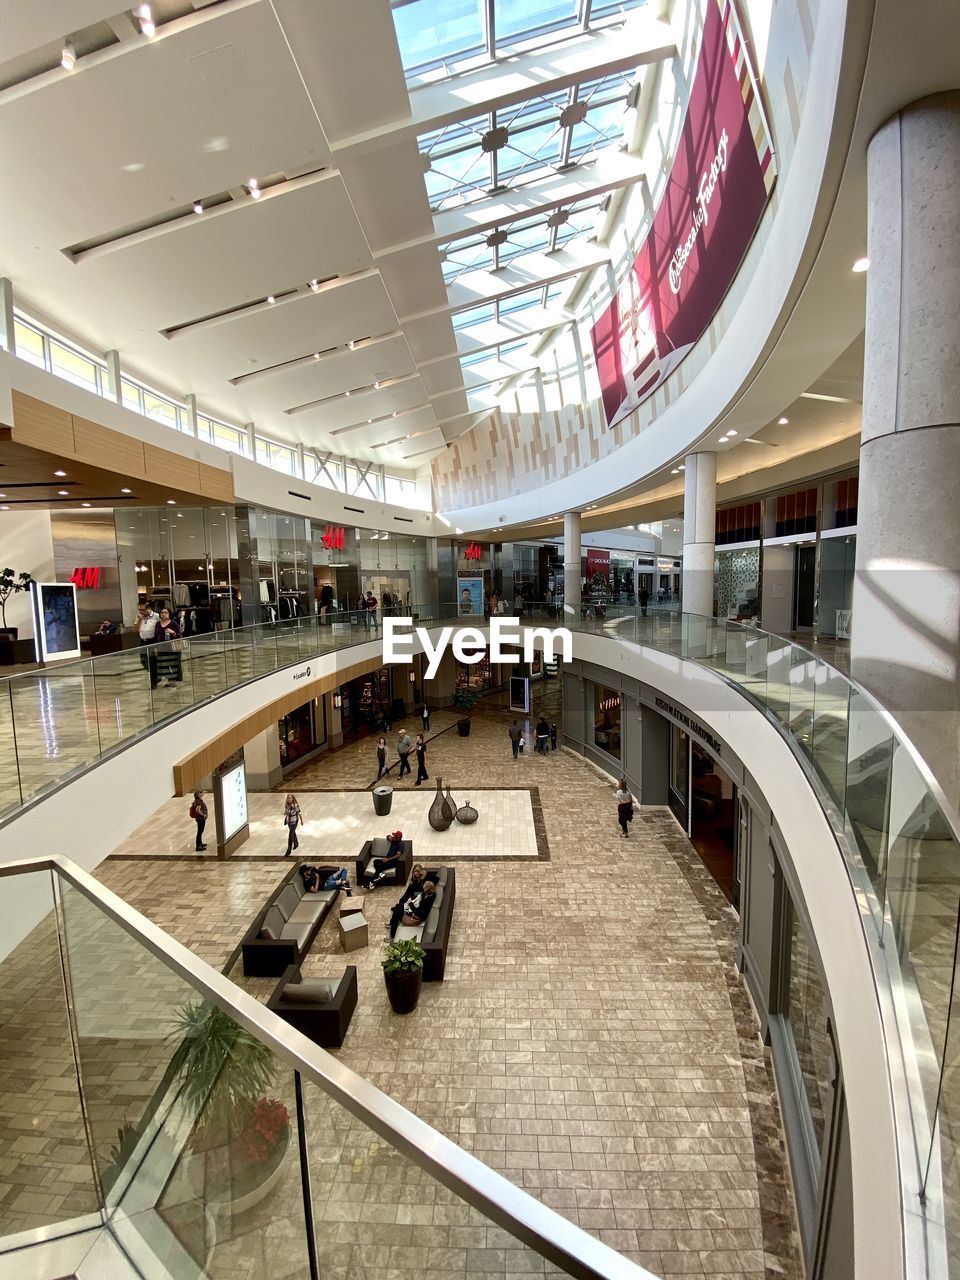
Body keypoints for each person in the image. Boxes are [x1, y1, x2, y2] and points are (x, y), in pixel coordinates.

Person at [134, 602, 160, 689]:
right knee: (143, 661)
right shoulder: (139, 617)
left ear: (149, 609)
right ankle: (157, 674)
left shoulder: (156, 616)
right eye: (139, 610)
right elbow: (134, 629)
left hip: (152, 641)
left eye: (143, 610)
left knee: (152, 662)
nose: (141, 612)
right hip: (143, 641)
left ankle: (154, 682)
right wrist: (139, 620)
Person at [154, 606, 181, 688]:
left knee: (172, 663)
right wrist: (155, 647)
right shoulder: (158, 624)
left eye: (165, 612)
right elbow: (156, 636)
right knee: (162, 664)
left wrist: (173, 632)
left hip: (171, 647)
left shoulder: (173, 623)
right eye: (162, 613)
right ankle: (165, 679)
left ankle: (172, 680)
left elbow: (179, 635)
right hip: (161, 647)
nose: (163, 614)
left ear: (169, 614)